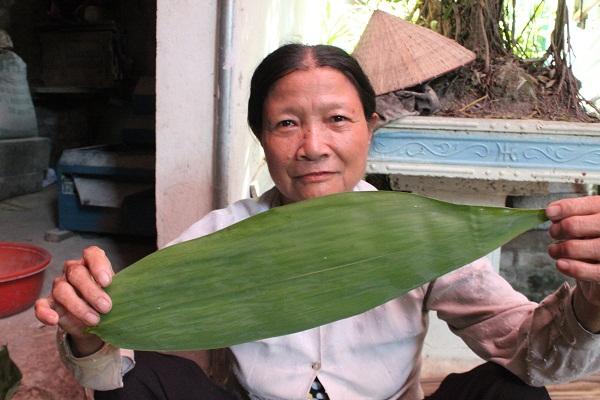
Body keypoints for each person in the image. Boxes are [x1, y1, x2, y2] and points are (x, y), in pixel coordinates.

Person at [36, 44, 600, 400]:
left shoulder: (420, 233)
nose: (313, 147)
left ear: (369, 128)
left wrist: (593, 301)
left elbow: (533, 354)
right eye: (286, 123)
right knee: (143, 382)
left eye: (337, 119)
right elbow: (109, 373)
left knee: (514, 390)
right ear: (262, 137)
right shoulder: (223, 237)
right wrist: (89, 332)